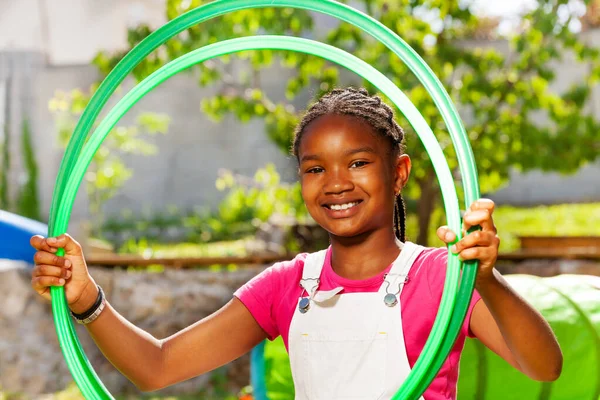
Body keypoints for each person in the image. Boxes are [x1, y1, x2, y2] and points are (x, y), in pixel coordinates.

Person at [30, 87, 562, 399]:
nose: (335, 183)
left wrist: (485, 278)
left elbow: (544, 366)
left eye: (358, 162)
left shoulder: (442, 277)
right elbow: (158, 366)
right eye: (315, 168)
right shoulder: (288, 285)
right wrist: (88, 301)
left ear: (399, 173)